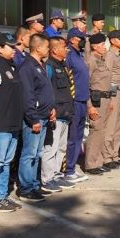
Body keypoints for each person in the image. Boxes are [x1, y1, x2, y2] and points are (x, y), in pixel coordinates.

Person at [0, 33, 24, 212]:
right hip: (1, 123)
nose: (14, 49)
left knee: (7, 161)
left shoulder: (12, 66)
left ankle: (2, 195)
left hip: (13, 122)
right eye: (10, 46)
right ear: (0, 48)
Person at [17, 33, 54, 201]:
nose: (48, 49)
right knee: (29, 154)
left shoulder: (41, 65)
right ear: (38, 48)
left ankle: (34, 184)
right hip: (35, 118)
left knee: (38, 153)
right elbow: (28, 95)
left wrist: (51, 108)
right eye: (46, 47)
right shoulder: (27, 67)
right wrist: (33, 118)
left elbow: (45, 91)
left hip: (44, 115)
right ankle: (26, 189)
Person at [41, 38, 76, 192]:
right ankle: (47, 179)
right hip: (56, 114)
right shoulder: (49, 66)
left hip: (66, 113)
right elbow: (46, 90)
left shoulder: (63, 65)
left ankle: (56, 175)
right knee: (51, 148)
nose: (66, 49)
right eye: (64, 47)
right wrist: (51, 110)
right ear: (54, 50)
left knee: (61, 148)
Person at [63, 28, 91, 184]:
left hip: (82, 100)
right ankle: (67, 170)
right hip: (74, 101)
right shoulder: (69, 55)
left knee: (79, 137)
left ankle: (72, 168)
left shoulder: (79, 55)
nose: (83, 41)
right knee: (72, 138)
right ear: (73, 39)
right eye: (81, 38)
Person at [82, 32, 112, 175]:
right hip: (96, 100)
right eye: (101, 45)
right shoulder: (91, 61)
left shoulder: (101, 60)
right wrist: (90, 106)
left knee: (102, 131)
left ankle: (98, 161)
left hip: (105, 99)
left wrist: (110, 100)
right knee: (95, 131)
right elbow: (85, 84)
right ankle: (91, 164)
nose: (104, 47)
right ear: (94, 46)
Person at [103, 30, 120, 167]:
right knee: (111, 126)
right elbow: (107, 77)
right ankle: (107, 157)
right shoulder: (109, 56)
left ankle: (114, 155)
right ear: (112, 40)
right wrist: (110, 97)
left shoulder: (119, 56)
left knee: (119, 127)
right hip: (113, 94)